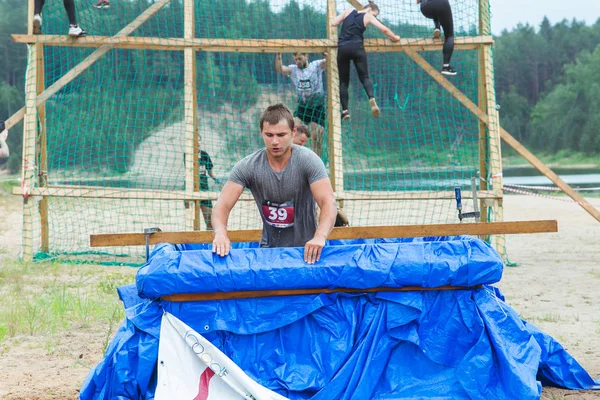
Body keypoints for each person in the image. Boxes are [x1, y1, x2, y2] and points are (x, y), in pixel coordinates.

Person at [212, 104, 337, 264]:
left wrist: (319, 237)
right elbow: (222, 205)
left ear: (293, 132)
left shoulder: (309, 161)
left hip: (308, 252)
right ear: (261, 133)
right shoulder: (248, 166)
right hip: (268, 254)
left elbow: (328, 202)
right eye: (269, 135)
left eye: (281, 134)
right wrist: (220, 233)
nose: (275, 141)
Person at [332, 1, 400, 121]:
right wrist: (394, 37)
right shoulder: (368, 16)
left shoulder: (348, 11)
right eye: (375, 15)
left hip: (343, 48)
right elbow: (383, 29)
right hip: (357, 48)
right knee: (365, 77)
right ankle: (371, 97)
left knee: (343, 82)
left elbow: (334, 23)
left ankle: (345, 110)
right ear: (369, 10)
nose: (374, 17)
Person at [275, 52, 326, 157]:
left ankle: (317, 164)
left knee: (317, 137)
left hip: (317, 107)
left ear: (306, 56)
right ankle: (290, 159)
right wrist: (279, 55)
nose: (297, 62)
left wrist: (327, 55)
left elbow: (329, 62)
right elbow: (280, 69)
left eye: (299, 59)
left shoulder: (315, 66)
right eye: (296, 59)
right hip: (302, 107)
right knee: (290, 129)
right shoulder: (293, 70)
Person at [418, 0, 456, 76]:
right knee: (449, 36)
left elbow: (418, 1)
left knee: (436, 11)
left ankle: (437, 27)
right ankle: (446, 66)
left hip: (425, 8)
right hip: (441, 3)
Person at [199, 149, 218, 230]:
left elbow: (210, 171)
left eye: (199, 140)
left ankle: (209, 239)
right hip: (191, 188)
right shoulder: (188, 154)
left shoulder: (204, 154)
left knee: (210, 220)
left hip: (204, 189)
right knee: (192, 220)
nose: (198, 143)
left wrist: (216, 179)